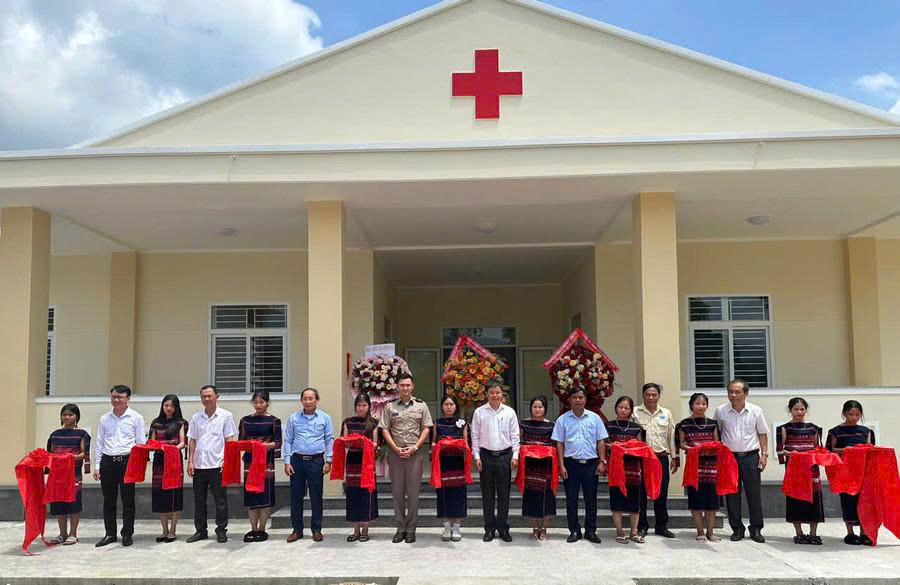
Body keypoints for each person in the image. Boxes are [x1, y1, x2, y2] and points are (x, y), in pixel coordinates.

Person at [378, 373, 433, 543]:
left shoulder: (421, 406)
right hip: (395, 454)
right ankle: (400, 527)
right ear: (397, 387)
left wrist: (415, 447)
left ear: (412, 386)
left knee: (413, 493)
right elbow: (384, 429)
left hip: (414, 454)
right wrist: (394, 448)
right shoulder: (390, 407)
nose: (405, 388)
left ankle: (411, 529)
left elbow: (426, 428)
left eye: (408, 385)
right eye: (402, 385)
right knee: (397, 492)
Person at [715, 378, 769, 543]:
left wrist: (764, 454)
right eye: (730, 391)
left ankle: (756, 529)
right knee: (732, 494)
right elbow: (717, 434)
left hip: (751, 456)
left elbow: (762, 433)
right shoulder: (721, 411)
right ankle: (737, 529)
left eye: (737, 392)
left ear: (746, 393)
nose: (733, 395)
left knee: (754, 494)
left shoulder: (756, 411)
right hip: (729, 458)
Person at [552, 387, 608, 544]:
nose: (578, 400)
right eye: (575, 397)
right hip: (571, 464)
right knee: (571, 499)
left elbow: (601, 441)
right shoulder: (562, 420)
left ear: (585, 399)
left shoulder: (594, 418)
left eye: (581, 397)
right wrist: (561, 465)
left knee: (591, 500)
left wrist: (602, 461)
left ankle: (590, 531)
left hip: (591, 464)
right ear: (569, 400)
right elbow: (559, 443)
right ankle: (574, 530)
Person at [93, 384, 145, 547]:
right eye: (114, 397)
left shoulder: (136, 418)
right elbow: (100, 443)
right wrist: (97, 465)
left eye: (120, 397)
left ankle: (127, 533)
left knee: (128, 500)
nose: (116, 400)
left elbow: (140, 444)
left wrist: (138, 467)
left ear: (128, 399)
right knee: (109, 500)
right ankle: (110, 533)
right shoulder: (104, 418)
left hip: (126, 462)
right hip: (108, 462)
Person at [186, 384, 237, 543]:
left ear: (217, 397)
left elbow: (229, 439)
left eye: (209, 396)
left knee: (220, 501)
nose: (206, 399)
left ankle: (221, 530)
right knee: (199, 501)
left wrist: (227, 461)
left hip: (217, 465)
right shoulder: (196, 418)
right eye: (204, 396)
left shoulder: (225, 416)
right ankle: (200, 530)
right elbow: (192, 440)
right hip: (199, 465)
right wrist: (190, 461)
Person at [472, 379, 520, 543]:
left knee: (504, 494)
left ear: (502, 394)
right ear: (486, 394)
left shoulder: (509, 412)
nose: (495, 395)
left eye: (498, 392)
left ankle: (503, 528)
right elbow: (475, 436)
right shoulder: (479, 412)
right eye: (492, 392)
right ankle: (489, 528)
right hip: (486, 457)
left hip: (505, 457)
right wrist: (476, 456)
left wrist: (515, 456)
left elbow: (515, 435)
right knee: (487, 495)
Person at [284, 387, 334, 543]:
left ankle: (316, 529)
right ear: (301, 401)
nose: (308, 401)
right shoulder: (293, 418)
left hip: (316, 461)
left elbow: (329, 439)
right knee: (296, 497)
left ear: (316, 400)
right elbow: (288, 440)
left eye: (311, 398)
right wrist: (287, 461)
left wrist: (329, 460)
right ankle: (297, 530)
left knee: (316, 497)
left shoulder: (325, 418)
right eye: (305, 399)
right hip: (297, 461)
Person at [631, 382, 678, 539]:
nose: (651, 397)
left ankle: (661, 526)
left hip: (661, 457)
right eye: (648, 394)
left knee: (661, 493)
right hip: (642, 458)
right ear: (643, 395)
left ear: (659, 396)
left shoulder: (666, 413)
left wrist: (674, 457)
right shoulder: (635, 412)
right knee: (641, 493)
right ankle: (642, 526)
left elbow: (671, 436)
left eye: (654, 394)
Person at [826, 399, 876, 546]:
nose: (854, 417)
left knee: (864, 501)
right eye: (851, 414)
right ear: (844, 413)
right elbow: (829, 450)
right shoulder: (835, 431)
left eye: (857, 414)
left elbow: (871, 449)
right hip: (845, 472)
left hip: (863, 471)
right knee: (848, 501)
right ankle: (850, 533)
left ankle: (864, 533)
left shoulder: (866, 431)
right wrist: (845, 450)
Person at [777, 397, 824, 545]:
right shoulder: (784, 428)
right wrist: (793, 455)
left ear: (806, 410)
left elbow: (817, 448)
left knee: (814, 499)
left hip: (811, 470)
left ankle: (813, 533)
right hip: (794, 471)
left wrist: (815, 455)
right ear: (790, 410)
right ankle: (799, 533)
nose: (799, 412)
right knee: (795, 499)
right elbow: (780, 451)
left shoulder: (814, 428)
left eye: (802, 409)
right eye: (796, 409)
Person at [676, 392, 721, 542]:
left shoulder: (712, 423)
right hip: (694, 466)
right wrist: (693, 449)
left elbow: (717, 443)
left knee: (712, 500)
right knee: (696, 499)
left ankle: (710, 532)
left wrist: (709, 447)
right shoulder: (684, 424)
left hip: (711, 466)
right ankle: (700, 531)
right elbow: (681, 444)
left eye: (703, 404)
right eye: (697, 403)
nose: (700, 406)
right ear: (691, 405)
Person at [238, 390, 282, 542]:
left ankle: (262, 529)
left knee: (264, 496)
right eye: (256, 402)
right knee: (251, 496)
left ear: (267, 403)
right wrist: (250, 445)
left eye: (261, 402)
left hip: (265, 462)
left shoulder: (274, 421)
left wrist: (262, 446)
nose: (258, 405)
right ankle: (253, 529)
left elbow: (278, 443)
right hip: (250, 462)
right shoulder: (245, 420)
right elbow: (241, 442)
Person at [46, 403, 91, 546]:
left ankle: (73, 534)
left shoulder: (82, 434)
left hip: (73, 474)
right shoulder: (54, 434)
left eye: (70, 414)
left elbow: (83, 454)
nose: (67, 417)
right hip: (57, 474)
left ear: (76, 417)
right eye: (64, 414)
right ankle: (62, 534)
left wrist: (68, 458)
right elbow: (50, 454)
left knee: (73, 503)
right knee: (59, 503)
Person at [606, 396, 645, 544]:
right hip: (616, 468)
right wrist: (615, 446)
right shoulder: (609, 425)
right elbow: (604, 444)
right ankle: (619, 531)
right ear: (616, 408)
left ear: (631, 410)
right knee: (617, 499)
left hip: (634, 468)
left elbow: (641, 447)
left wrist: (627, 447)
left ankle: (633, 532)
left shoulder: (636, 428)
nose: (623, 410)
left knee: (634, 501)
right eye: (621, 407)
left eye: (627, 408)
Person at [148, 394, 187, 543]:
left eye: (171, 406)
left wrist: (171, 449)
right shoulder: (156, 423)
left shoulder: (181, 423)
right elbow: (151, 442)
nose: (168, 408)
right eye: (166, 405)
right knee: (161, 495)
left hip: (174, 459)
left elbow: (182, 442)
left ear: (176, 407)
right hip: (159, 460)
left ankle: (173, 530)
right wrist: (158, 447)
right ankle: (164, 530)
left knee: (174, 495)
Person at [341, 393, 379, 542]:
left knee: (366, 494)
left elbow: (375, 443)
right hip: (352, 460)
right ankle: (355, 529)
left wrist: (364, 442)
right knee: (353, 494)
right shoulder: (348, 422)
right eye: (359, 405)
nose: (361, 408)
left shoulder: (373, 423)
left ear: (369, 406)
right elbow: (344, 441)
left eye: (364, 405)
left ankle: (365, 529)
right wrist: (351, 441)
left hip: (367, 461)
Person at [432, 394, 469, 542]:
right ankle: (447, 527)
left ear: (456, 406)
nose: (449, 407)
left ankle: (457, 527)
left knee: (458, 494)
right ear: (442, 406)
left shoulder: (462, 423)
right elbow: (433, 442)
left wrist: (457, 445)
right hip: (442, 463)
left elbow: (466, 443)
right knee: (442, 494)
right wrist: (437, 446)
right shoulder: (437, 423)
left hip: (457, 462)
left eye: (451, 404)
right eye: (446, 404)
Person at [519, 396, 556, 541]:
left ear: (545, 408)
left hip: (546, 466)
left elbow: (555, 445)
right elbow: (519, 442)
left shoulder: (551, 425)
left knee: (547, 497)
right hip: (530, 465)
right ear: (530, 408)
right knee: (531, 496)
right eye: (535, 407)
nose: (537, 409)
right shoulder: (524, 424)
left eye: (540, 407)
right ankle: (535, 528)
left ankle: (544, 529)